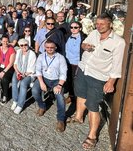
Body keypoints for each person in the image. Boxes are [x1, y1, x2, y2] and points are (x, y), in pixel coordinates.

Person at [69, 13, 125, 150]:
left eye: (102, 24)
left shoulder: (118, 42)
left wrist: (111, 82)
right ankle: (79, 117)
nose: (99, 26)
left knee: (93, 106)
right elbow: (83, 44)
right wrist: (85, 46)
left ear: (110, 24)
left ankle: (92, 136)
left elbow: (117, 65)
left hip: (99, 76)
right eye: (97, 24)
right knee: (80, 94)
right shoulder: (94, 33)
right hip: (84, 69)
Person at [32, 40, 67, 132]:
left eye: (52, 47)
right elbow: (38, 70)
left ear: (55, 47)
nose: (49, 49)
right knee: (35, 91)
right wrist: (41, 82)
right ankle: (42, 106)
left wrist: (59, 85)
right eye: (47, 47)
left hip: (56, 80)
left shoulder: (60, 58)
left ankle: (60, 119)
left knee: (60, 99)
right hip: (44, 78)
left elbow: (64, 73)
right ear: (45, 47)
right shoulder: (41, 56)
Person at [11, 39, 37, 114]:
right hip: (19, 71)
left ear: (28, 45)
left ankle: (20, 105)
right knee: (14, 80)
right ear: (19, 46)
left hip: (29, 74)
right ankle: (15, 100)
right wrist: (17, 72)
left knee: (23, 83)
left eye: (25, 45)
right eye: (21, 45)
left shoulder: (32, 54)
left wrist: (24, 74)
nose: (24, 47)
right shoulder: (18, 52)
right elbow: (15, 64)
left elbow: (32, 69)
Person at [64, 21, 86, 104]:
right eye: (71, 27)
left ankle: (78, 99)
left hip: (77, 63)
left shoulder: (84, 38)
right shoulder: (67, 36)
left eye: (76, 27)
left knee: (76, 82)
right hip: (67, 62)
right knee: (69, 80)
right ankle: (71, 96)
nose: (73, 29)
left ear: (80, 28)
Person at [0, 35, 16, 104]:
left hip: (9, 68)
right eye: (4, 41)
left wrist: (4, 72)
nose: (5, 43)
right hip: (1, 67)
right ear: (1, 41)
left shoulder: (11, 49)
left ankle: (5, 95)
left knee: (4, 78)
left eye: (7, 41)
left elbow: (11, 63)